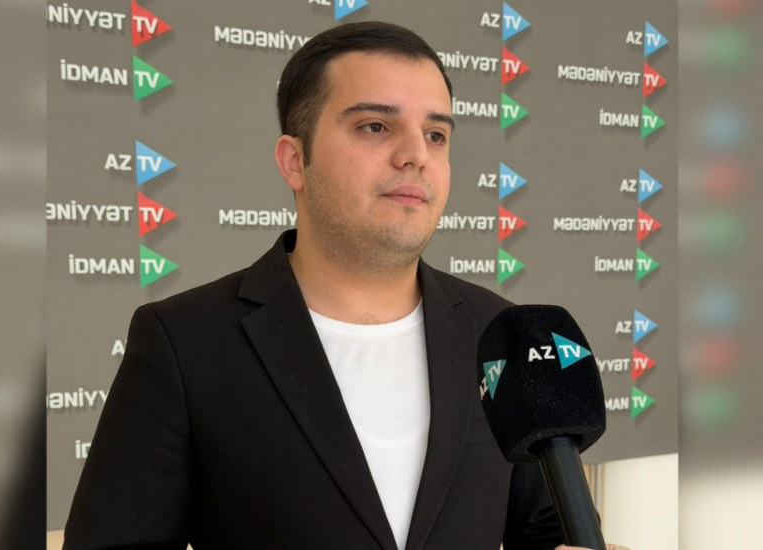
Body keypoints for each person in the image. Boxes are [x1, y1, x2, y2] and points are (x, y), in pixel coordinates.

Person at [63, 21, 602, 550]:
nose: (416, 154)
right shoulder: (184, 341)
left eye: (436, 135)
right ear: (295, 161)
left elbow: (546, 530)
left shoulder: (499, 336)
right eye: (375, 126)